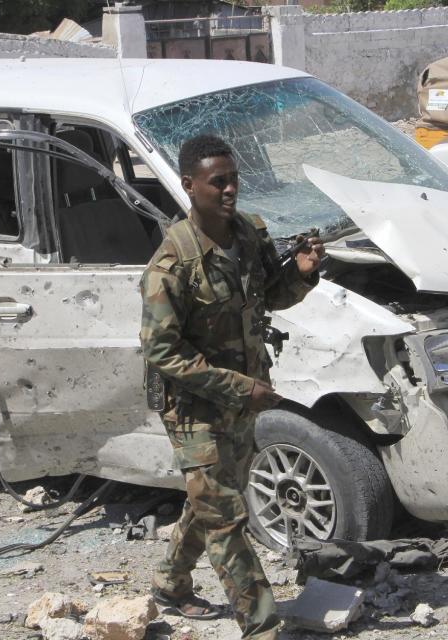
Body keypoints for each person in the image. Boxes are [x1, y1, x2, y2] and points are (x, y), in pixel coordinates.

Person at [139, 134, 325, 639]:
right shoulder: (171, 264)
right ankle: (261, 624)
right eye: (217, 181)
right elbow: (161, 351)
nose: (229, 190)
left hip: (241, 400)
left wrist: (303, 276)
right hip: (193, 407)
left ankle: (171, 584)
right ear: (188, 185)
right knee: (224, 517)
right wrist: (240, 387)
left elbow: (267, 297)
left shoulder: (246, 235)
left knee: (214, 500)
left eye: (233, 179)